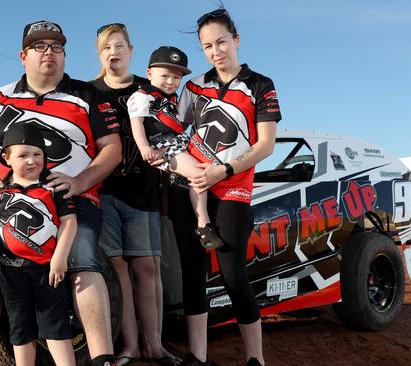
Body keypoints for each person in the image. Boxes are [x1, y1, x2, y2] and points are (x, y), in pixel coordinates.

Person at [0, 20, 122, 366]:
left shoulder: (90, 95)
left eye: (57, 46)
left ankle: (102, 358)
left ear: (64, 55)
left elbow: (112, 150)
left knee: (82, 260)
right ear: (23, 55)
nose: (49, 52)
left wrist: (81, 181)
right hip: (6, 203)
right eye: (40, 46)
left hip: (71, 199)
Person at [172, 8, 282, 366]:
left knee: (233, 274)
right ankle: (197, 356)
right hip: (192, 186)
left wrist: (224, 170)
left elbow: (265, 145)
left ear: (236, 40)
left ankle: (255, 358)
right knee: (193, 271)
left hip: (233, 188)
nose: (215, 51)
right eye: (207, 46)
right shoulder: (194, 86)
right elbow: (174, 127)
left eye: (221, 41)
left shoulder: (260, 85)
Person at [90, 24, 177, 366]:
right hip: (105, 191)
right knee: (118, 269)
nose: (114, 51)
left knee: (148, 268)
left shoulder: (150, 89)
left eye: (120, 45)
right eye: (107, 47)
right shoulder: (90, 92)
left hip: (144, 192)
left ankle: (154, 345)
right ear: (100, 54)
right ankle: (129, 346)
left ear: (131, 50)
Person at [0, 124, 77, 366]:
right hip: (10, 271)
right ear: (6, 158)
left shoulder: (54, 186)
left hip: (48, 271)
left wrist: (59, 258)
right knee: (20, 330)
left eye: (37, 155)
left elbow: (69, 222)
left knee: (56, 328)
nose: (31, 161)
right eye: (23, 155)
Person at [127, 46, 223, 250]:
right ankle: (204, 225)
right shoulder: (141, 96)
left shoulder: (171, 99)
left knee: (206, 168)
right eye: (165, 76)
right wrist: (145, 148)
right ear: (149, 73)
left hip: (179, 142)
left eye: (176, 78)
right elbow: (136, 124)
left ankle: (202, 214)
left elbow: (180, 124)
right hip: (161, 144)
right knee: (199, 173)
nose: (171, 82)